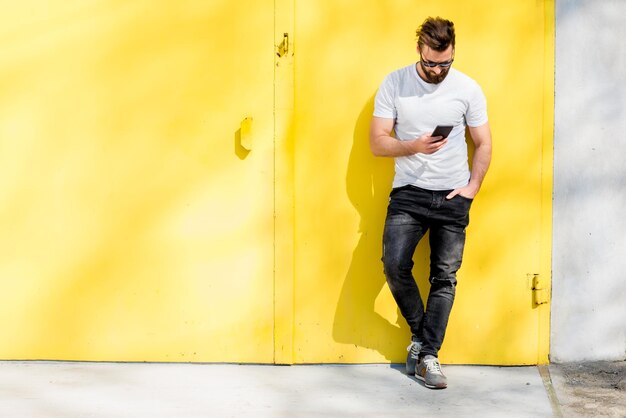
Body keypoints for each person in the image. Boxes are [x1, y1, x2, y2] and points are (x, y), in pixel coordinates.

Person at [369, 17, 492, 389]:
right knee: (394, 266)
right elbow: (377, 142)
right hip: (408, 192)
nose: (438, 70)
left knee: (444, 277)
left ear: (452, 53)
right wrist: (412, 146)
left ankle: (427, 356)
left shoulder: (467, 88)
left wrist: (472, 186)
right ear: (419, 50)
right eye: (431, 63)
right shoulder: (395, 83)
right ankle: (423, 341)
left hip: (453, 197)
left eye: (445, 63)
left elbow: (483, 142)